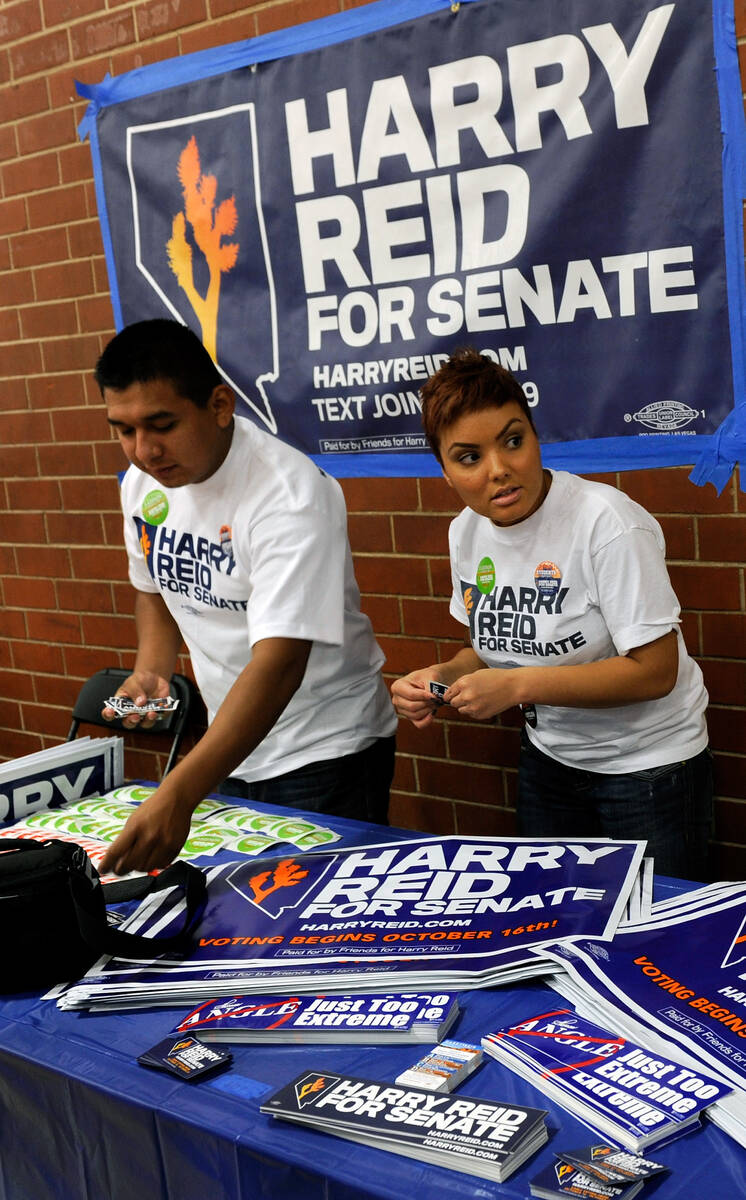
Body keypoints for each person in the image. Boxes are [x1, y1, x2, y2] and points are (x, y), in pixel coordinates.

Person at [391, 348, 712, 880]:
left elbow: (657, 672)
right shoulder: (465, 533)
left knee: (650, 948)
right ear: (445, 472)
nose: (499, 470)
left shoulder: (605, 522)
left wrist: (516, 688)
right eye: (469, 457)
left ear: (536, 437)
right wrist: (444, 677)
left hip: (650, 771)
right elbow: (488, 646)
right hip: (549, 762)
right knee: (556, 933)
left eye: (513, 441)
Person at [95, 319, 396, 875]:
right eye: (123, 430)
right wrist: (153, 668)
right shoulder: (143, 483)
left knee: (312, 937)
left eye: (162, 424)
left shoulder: (289, 495)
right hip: (229, 746)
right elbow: (153, 590)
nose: (144, 450)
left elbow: (280, 664)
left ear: (219, 404)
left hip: (324, 750)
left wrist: (181, 791)